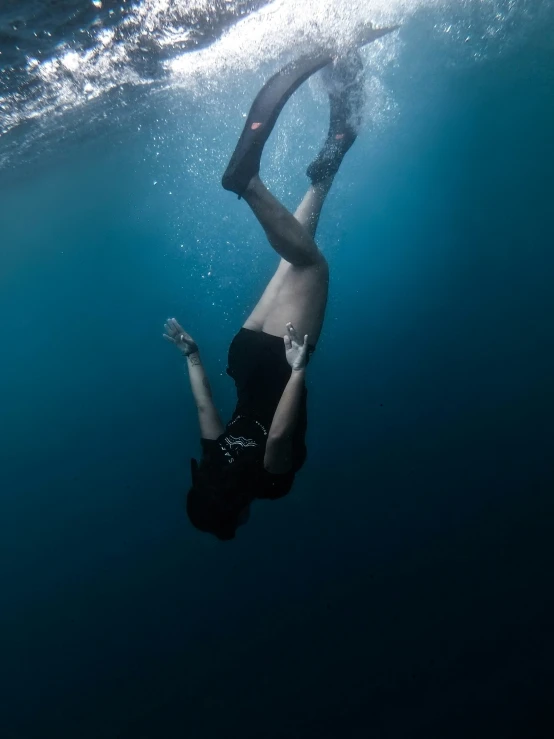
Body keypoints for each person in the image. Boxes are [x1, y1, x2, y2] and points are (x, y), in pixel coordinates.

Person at [164, 30, 394, 540]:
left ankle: (246, 182)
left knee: (312, 267)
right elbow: (207, 409)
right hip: (243, 353)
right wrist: (192, 355)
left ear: (232, 512)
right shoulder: (212, 457)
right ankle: (333, 153)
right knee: (297, 251)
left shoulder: (268, 485)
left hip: (280, 359)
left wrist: (298, 370)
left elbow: (281, 435)